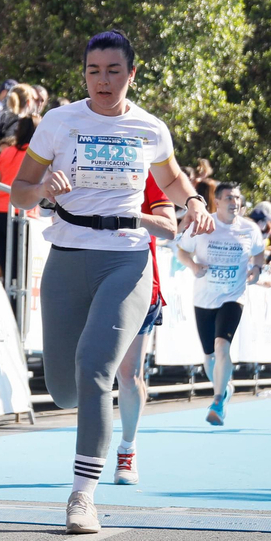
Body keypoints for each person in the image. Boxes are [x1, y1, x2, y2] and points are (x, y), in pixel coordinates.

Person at [10, 30, 213, 534]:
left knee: (97, 367)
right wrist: (42, 187)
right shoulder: (58, 122)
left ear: (132, 74)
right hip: (67, 255)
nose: (103, 81)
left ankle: (82, 497)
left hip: (126, 259)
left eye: (114, 71)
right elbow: (18, 195)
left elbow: (171, 181)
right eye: (93, 71)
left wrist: (195, 203)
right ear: (83, 73)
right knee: (63, 388)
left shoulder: (150, 128)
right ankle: (91, 419)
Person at [177, 181, 267, 426]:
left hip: (233, 296)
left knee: (222, 346)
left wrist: (257, 268)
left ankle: (217, 401)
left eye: (237, 198)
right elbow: (181, 251)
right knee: (209, 356)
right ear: (216, 201)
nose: (234, 202)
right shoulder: (203, 225)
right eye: (228, 198)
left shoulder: (249, 229)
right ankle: (224, 388)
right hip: (204, 298)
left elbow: (259, 252)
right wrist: (193, 265)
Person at [113, 173, 179, 485]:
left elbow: (169, 228)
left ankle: (127, 447)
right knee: (88, 376)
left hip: (139, 288)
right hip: (87, 279)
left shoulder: (147, 174)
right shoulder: (80, 157)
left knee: (128, 376)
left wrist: (131, 216)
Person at [0, 114, 41, 279]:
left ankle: (10, 301)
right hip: (22, 213)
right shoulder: (36, 155)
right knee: (22, 267)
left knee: (6, 265)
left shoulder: (6, 152)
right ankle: (18, 303)